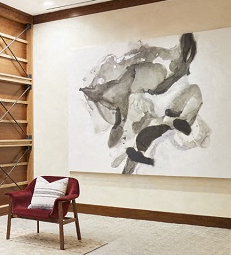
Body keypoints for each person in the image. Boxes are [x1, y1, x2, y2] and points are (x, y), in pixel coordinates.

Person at [79, 33, 210, 174]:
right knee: (146, 128)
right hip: (154, 107)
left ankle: (130, 155)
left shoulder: (166, 78)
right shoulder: (156, 74)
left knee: (149, 128)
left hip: (158, 109)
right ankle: (130, 154)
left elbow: (158, 94)